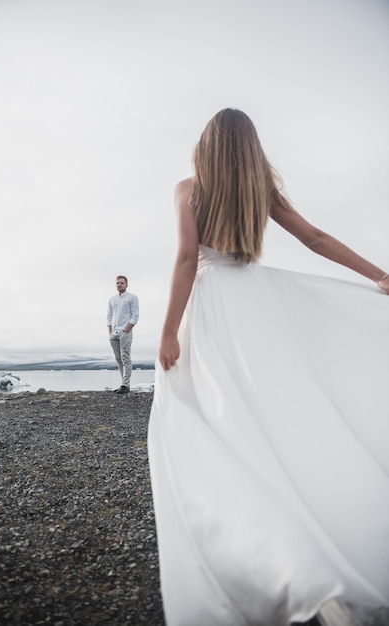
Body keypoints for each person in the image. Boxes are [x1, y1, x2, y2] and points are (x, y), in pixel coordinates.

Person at [148, 109, 389, 626]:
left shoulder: (189, 188)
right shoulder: (262, 192)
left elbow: (188, 257)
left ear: (206, 146)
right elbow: (316, 238)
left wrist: (168, 329)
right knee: (278, 412)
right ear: (250, 150)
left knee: (218, 418)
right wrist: (379, 275)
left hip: (213, 306)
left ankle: (281, 558)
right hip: (257, 301)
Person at [107, 275, 139, 394]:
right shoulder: (112, 299)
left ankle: (125, 385)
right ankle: (124, 384)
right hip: (114, 333)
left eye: (121, 283)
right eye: (117, 283)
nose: (119, 284)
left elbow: (135, 315)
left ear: (126, 285)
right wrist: (110, 331)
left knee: (126, 358)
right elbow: (109, 315)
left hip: (125, 331)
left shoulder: (132, 298)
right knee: (118, 359)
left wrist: (127, 329)